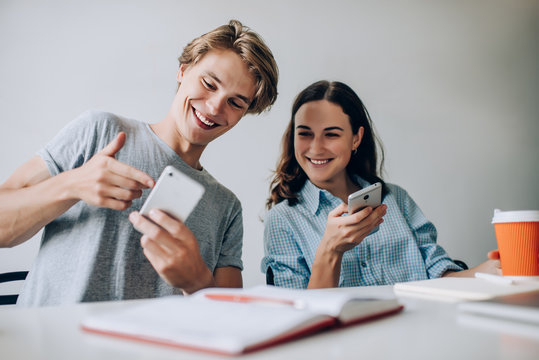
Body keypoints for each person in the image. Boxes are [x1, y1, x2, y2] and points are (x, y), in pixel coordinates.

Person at [0, 20, 279, 306]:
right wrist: (71, 184)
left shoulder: (227, 207)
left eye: (236, 103)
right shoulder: (101, 131)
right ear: (183, 70)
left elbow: (233, 323)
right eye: (209, 84)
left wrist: (197, 282)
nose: (215, 107)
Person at [261, 80, 499, 289]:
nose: (315, 148)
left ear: (356, 138)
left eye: (331, 134)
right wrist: (330, 249)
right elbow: (297, 316)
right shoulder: (283, 220)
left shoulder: (396, 199)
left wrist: (485, 272)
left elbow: (438, 274)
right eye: (305, 134)